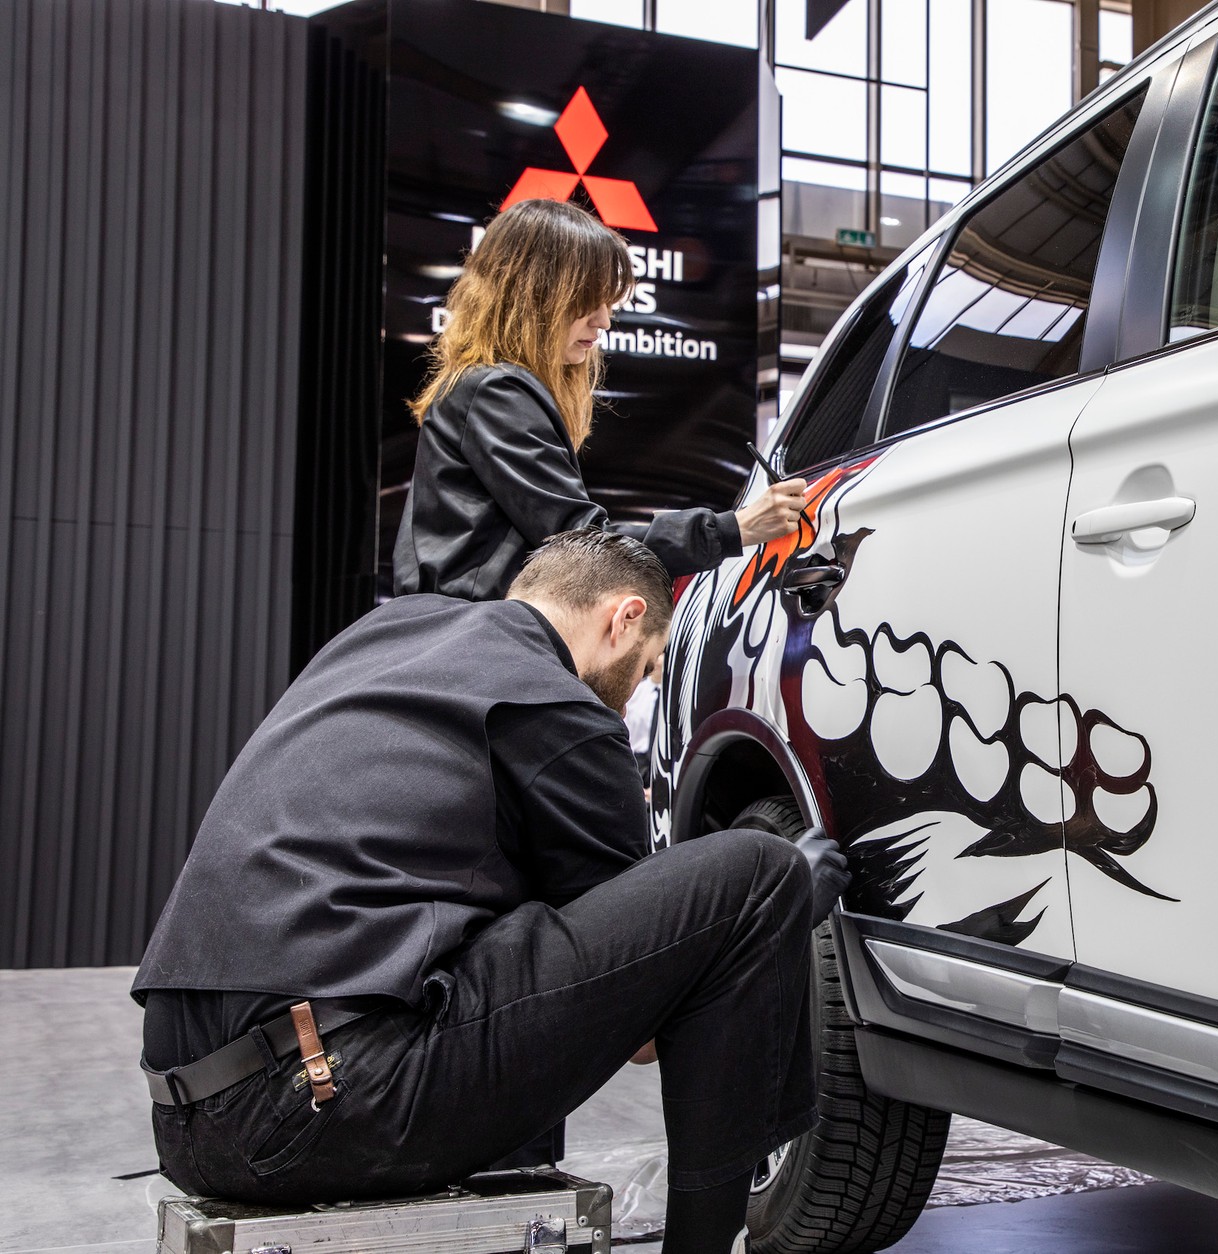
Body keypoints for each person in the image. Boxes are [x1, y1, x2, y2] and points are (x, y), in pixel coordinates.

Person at [134, 530, 849, 1254]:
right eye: (650, 666)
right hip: (319, 1105)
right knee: (761, 875)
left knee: (498, 953)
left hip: (187, 1119)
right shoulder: (561, 708)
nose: (640, 688)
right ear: (623, 619)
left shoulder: (389, 635)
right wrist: (787, 906)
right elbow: (641, 1032)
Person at [394, 198, 807, 601]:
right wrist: (736, 528)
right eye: (587, 299)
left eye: (607, 302)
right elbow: (581, 546)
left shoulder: (486, 389)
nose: (604, 319)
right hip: (476, 647)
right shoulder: (495, 391)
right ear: (534, 293)